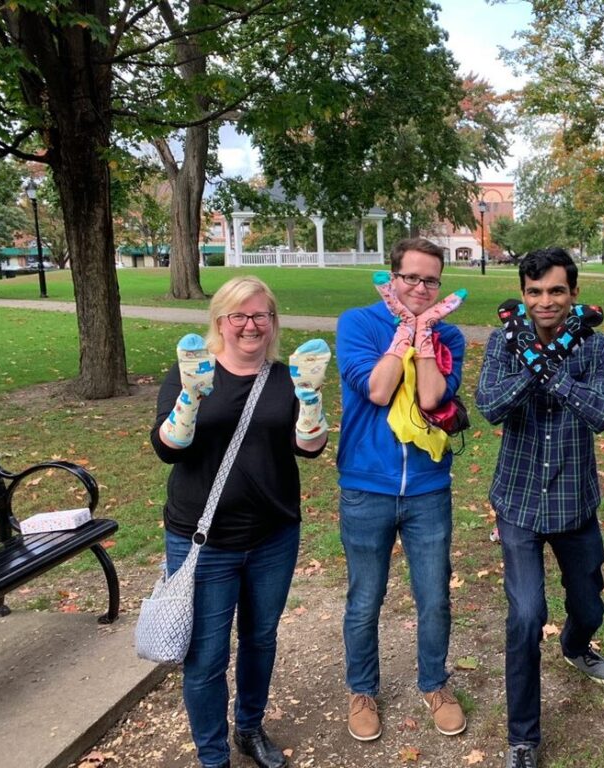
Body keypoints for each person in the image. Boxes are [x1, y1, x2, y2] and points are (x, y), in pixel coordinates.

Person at [151, 276, 330, 768]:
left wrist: (310, 401)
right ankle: (213, 758)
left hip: (273, 535)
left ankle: (248, 727)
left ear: (273, 323)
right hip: (202, 541)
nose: (251, 325)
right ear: (220, 322)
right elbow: (167, 448)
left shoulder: (285, 378)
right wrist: (190, 397)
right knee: (206, 657)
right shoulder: (190, 371)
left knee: (259, 639)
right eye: (240, 316)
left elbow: (309, 448)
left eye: (261, 316)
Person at [476, 247, 604, 768]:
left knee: (587, 603)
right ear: (523, 294)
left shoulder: (601, 350)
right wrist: (529, 363)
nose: (546, 301)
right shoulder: (502, 341)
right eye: (535, 292)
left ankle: (578, 645)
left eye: (556, 291)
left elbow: (603, 413)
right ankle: (523, 738)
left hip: (573, 502)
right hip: (517, 501)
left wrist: (553, 365)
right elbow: (490, 407)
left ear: (573, 293)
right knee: (525, 615)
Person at [334, 236, 467, 742]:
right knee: (365, 596)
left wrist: (426, 335)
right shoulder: (357, 323)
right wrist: (402, 334)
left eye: (430, 280)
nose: (419, 286)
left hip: (428, 487)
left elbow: (432, 396)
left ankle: (434, 683)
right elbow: (378, 388)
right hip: (367, 484)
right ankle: (362, 689)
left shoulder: (450, 335)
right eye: (410, 277)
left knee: (433, 596)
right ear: (392, 278)